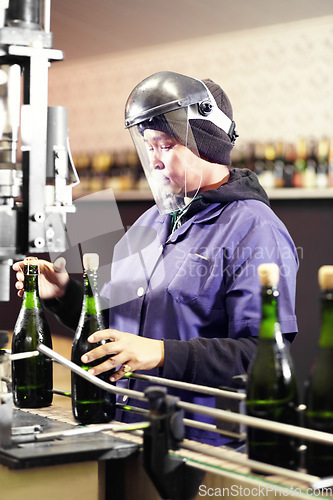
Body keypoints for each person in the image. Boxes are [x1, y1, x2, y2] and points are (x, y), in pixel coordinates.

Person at [13, 71, 299, 446]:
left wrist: (161, 353)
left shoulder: (255, 228)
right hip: (121, 427)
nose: (155, 161)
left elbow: (261, 355)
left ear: (207, 143)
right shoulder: (150, 221)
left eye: (165, 145)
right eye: (148, 147)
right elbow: (118, 323)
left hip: (201, 441)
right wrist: (64, 294)